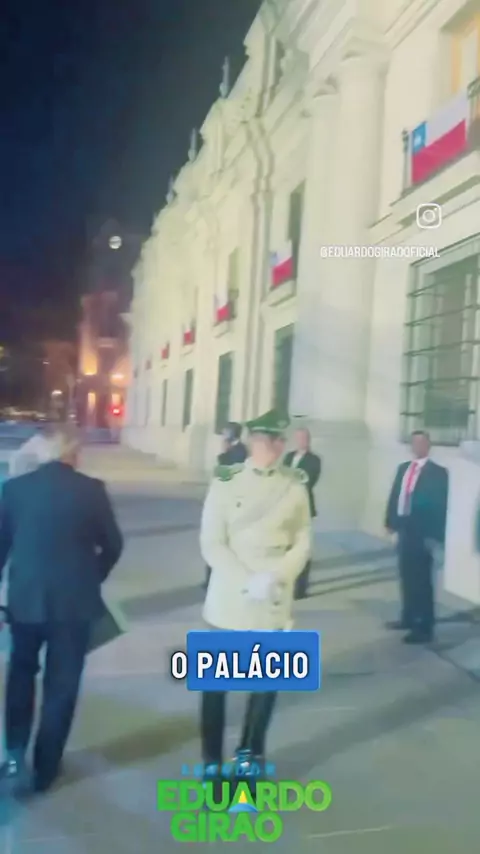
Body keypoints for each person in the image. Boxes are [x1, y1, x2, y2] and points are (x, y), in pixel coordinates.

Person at [0, 424, 123, 794]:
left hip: (25, 601)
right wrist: (92, 576)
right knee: (62, 684)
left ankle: (14, 753)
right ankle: (46, 767)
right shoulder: (91, 490)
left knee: (21, 674)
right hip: (74, 604)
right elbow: (113, 544)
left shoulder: (15, 489)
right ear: (73, 453)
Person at [199, 409, 311, 793]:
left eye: (278, 440)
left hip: (273, 598)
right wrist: (248, 580)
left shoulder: (295, 485)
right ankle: (212, 767)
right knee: (215, 690)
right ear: (251, 442)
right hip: (230, 597)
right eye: (266, 440)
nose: (274, 447)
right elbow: (212, 542)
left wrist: (277, 577)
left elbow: (303, 540)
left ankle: (248, 760)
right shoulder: (226, 481)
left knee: (264, 690)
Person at [384, 430, 448, 644]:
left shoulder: (438, 473)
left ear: (428, 445)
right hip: (404, 528)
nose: (417, 446)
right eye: (414, 443)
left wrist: (434, 536)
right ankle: (408, 617)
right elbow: (395, 495)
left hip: (423, 532)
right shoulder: (404, 468)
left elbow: (440, 506)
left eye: (421, 442)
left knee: (422, 580)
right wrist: (390, 521)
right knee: (406, 575)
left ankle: (424, 626)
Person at [203, 423, 248, 589]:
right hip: (225, 501)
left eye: (225, 434)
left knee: (222, 542)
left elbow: (227, 471)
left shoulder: (239, 452)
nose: (222, 437)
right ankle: (212, 578)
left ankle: (217, 579)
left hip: (232, 503)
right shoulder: (234, 450)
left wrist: (224, 452)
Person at [284, 427, 321, 599]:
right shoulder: (289, 457)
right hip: (286, 507)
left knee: (302, 547)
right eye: (299, 438)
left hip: (303, 507)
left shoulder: (314, 460)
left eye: (304, 438)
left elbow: (308, 480)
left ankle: (301, 587)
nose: (302, 441)